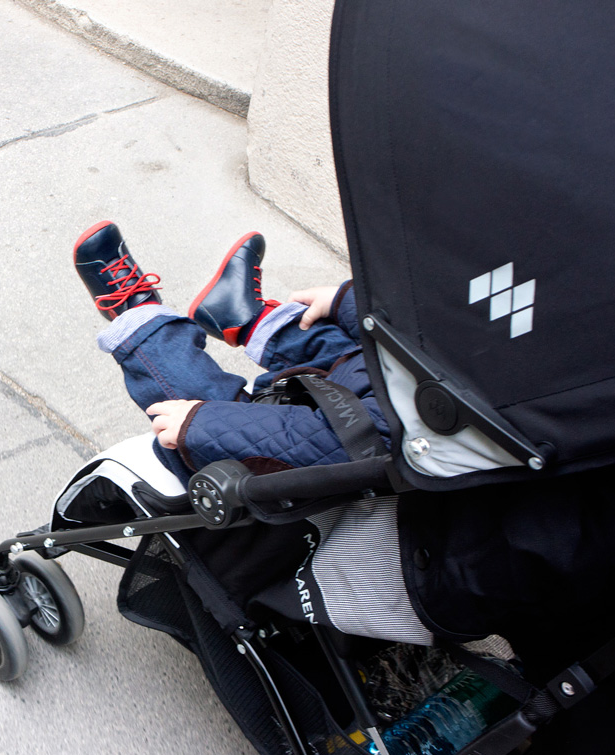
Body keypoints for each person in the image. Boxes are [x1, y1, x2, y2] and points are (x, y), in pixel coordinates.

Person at [73, 220, 432, 645]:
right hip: (387, 409)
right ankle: (243, 318)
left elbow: (336, 445)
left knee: (215, 420)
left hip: (347, 469)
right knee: (362, 356)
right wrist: (349, 304)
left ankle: (136, 317)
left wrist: (203, 423)